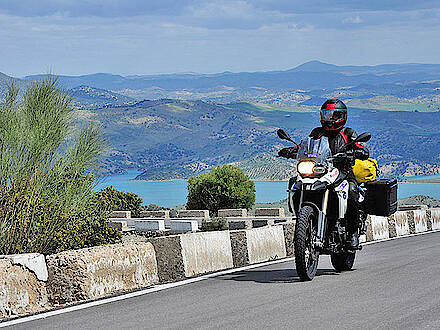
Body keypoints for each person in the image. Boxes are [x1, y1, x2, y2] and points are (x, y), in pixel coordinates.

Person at [278, 98, 369, 249]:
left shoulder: (348, 133)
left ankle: (352, 233)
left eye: (334, 115)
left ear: (342, 117)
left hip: (343, 172)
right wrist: (292, 150)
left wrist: (359, 151)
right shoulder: (317, 132)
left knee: (352, 191)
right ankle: (302, 221)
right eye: (327, 115)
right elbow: (306, 145)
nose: (330, 119)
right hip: (320, 170)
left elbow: (360, 146)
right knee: (295, 183)